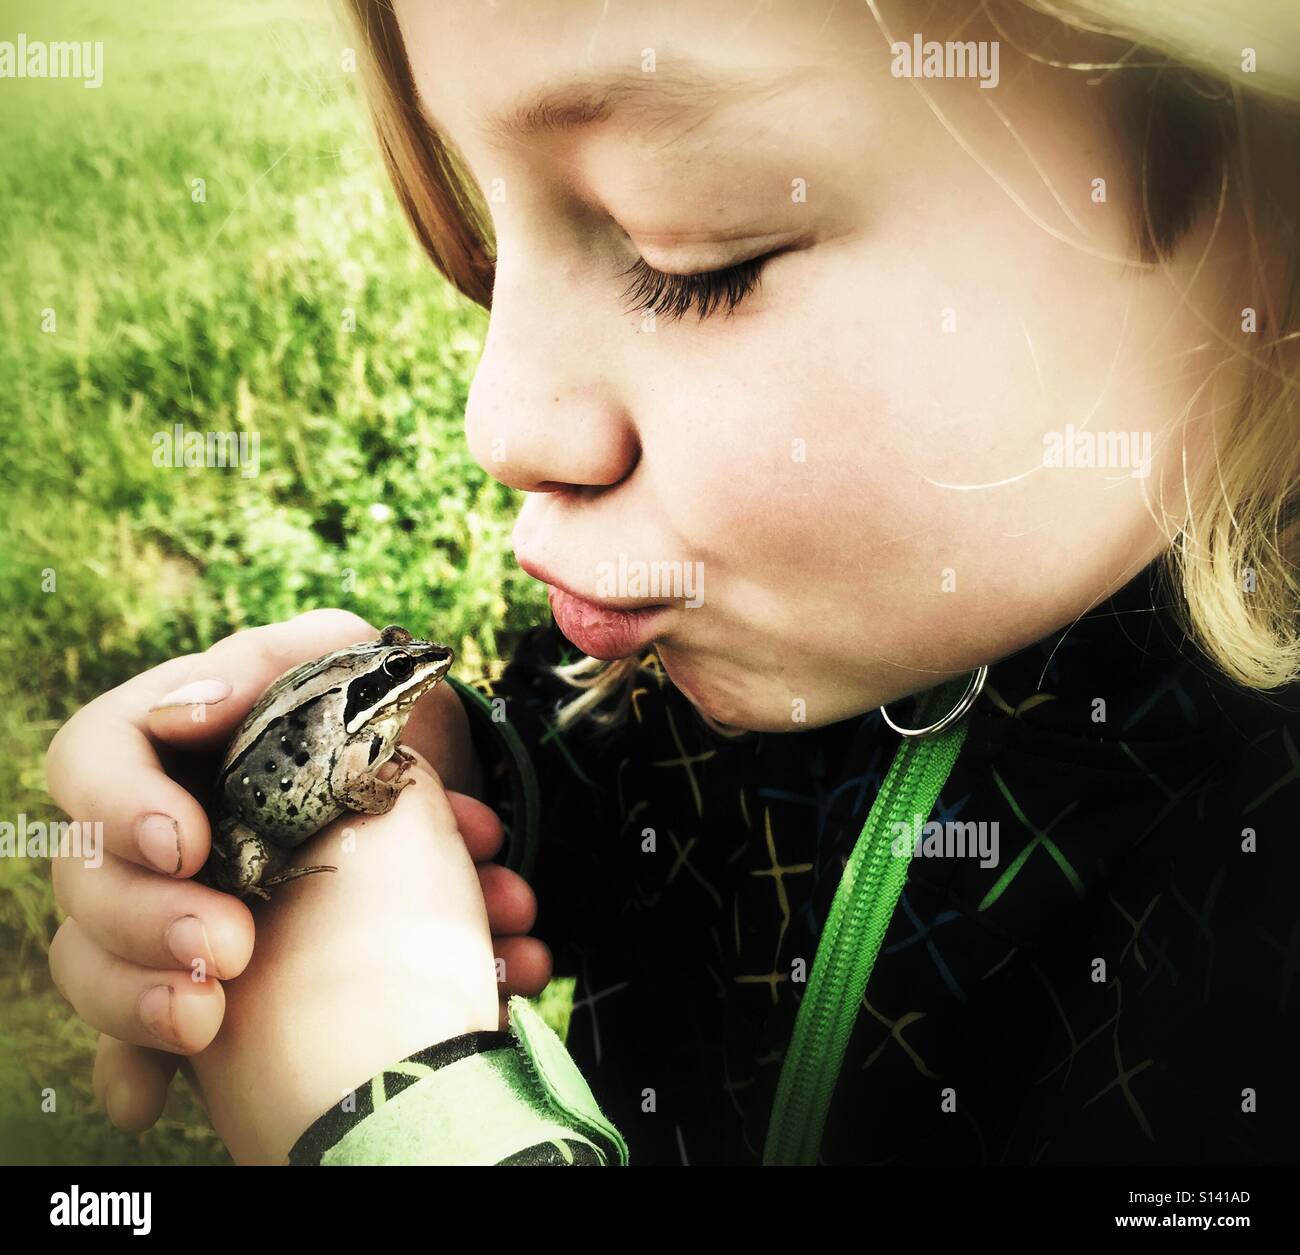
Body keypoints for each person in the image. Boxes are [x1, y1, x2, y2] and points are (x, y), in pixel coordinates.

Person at [45, 0, 1299, 1164]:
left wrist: (408, 1122)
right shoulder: (738, 640)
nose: (503, 422)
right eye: (487, 228)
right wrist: (465, 780)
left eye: (690, 250)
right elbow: (630, 804)